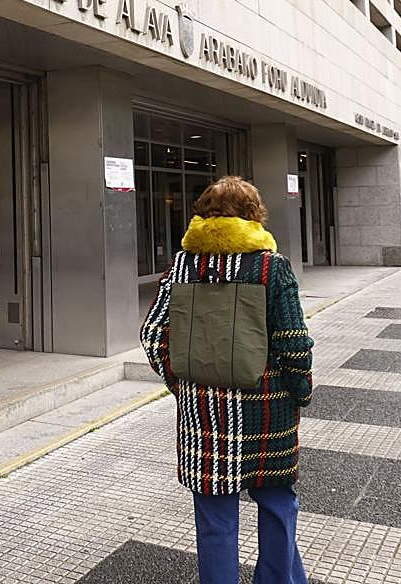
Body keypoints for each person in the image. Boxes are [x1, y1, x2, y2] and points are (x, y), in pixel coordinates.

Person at [140, 176, 314, 584]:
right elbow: (293, 342)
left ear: (203, 212)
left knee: (214, 517)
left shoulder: (183, 266)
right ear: (255, 214)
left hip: (204, 413)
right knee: (277, 504)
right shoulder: (271, 266)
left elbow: (152, 333)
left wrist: (182, 379)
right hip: (267, 409)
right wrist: (300, 390)